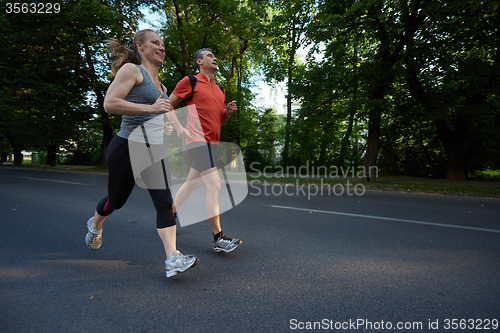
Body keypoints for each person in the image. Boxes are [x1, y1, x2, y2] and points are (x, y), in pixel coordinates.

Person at [84, 29, 198, 278]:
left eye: (163, 44)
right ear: (140, 46)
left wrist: (166, 125)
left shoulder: (162, 85)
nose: (161, 47)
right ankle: (95, 225)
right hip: (126, 147)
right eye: (155, 43)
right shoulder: (132, 71)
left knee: (164, 202)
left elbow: (154, 113)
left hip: (153, 150)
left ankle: (172, 259)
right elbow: (110, 104)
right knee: (115, 202)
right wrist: (152, 109)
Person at [168, 48, 242, 253]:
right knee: (215, 184)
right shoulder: (189, 81)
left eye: (214, 55)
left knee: (191, 183)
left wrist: (227, 113)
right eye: (209, 55)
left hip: (213, 143)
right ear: (199, 61)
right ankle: (218, 238)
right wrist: (178, 127)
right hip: (196, 140)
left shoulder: (219, 90)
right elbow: (169, 105)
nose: (214, 57)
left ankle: (170, 213)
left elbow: (220, 122)